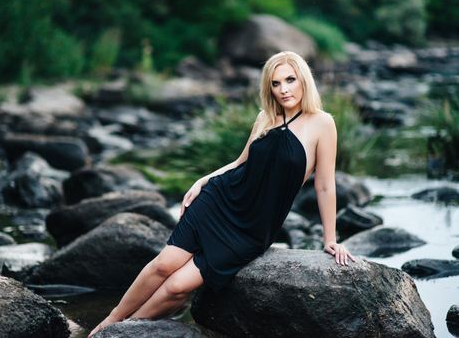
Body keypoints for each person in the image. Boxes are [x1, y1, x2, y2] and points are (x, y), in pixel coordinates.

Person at [88, 50, 355, 337]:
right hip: (220, 201)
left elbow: (325, 185)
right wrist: (203, 181)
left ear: (304, 79)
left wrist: (331, 239)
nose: (283, 89)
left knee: (177, 287)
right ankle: (109, 321)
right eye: (276, 84)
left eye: (290, 80)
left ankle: (123, 331)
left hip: (252, 228)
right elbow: (241, 163)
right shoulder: (265, 117)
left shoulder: (322, 123)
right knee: (163, 265)